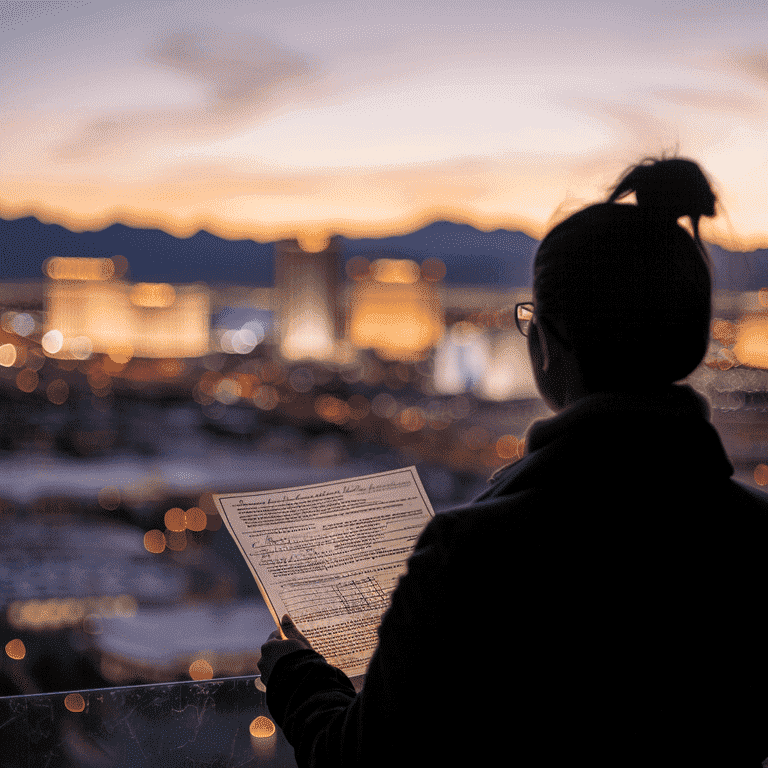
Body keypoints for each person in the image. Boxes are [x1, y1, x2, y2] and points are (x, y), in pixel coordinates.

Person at [258, 157, 768, 767]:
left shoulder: (477, 552)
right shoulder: (753, 536)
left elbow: (359, 761)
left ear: (548, 343)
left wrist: (297, 678)